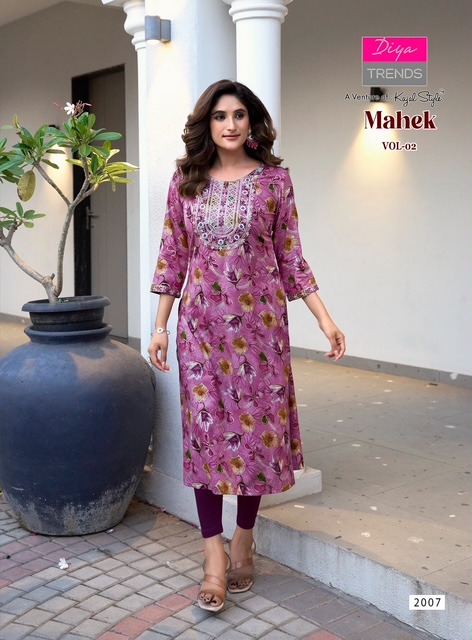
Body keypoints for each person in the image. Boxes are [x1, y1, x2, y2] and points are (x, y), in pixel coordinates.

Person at [148, 79, 345, 612]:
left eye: (239, 115)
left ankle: (244, 538)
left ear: (252, 122)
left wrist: (324, 319)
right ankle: (213, 555)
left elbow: (291, 256)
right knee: (206, 436)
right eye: (220, 116)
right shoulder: (186, 181)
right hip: (201, 332)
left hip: (260, 332)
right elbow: (172, 255)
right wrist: (160, 326)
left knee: (255, 435)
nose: (230, 124)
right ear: (207, 124)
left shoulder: (275, 182)